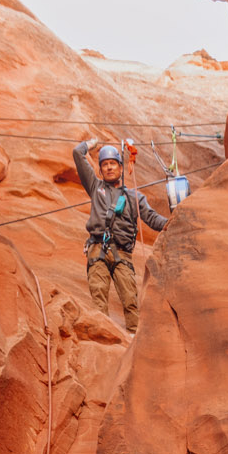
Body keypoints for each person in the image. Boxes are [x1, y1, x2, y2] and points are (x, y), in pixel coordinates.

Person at [72, 136, 169, 334]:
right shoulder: (95, 187)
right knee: (98, 295)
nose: (109, 168)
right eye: (105, 165)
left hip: (122, 254)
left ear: (121, 168)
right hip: (97, 248)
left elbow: (151, 218)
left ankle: (134, 343)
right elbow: (77, 153)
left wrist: (172, 224)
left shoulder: (135, 197)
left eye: (113, 164)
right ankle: (102, 339)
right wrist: (92, 143)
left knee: (131, 300)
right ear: (100, 170)